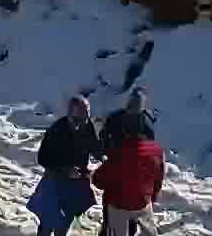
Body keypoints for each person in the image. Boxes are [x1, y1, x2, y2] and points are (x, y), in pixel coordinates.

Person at [27, 95, 100, 236]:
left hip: (76, 182)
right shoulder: (57, 130)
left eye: (85, 118)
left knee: (67, 219)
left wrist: (102, 156)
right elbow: (43, 158)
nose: (81, 123)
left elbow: (94, 146)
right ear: (69, 115)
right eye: (77, 119)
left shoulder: (88, 126)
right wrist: (65, 170)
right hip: (55, 181)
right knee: (48, 220)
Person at [93, 96, 165, 236]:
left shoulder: (118, 121)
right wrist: (152, 194)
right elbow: (158, 173)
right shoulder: (155, 147)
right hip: (141, 198)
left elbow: (99, 179)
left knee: (114, 223)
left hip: (118, 200)